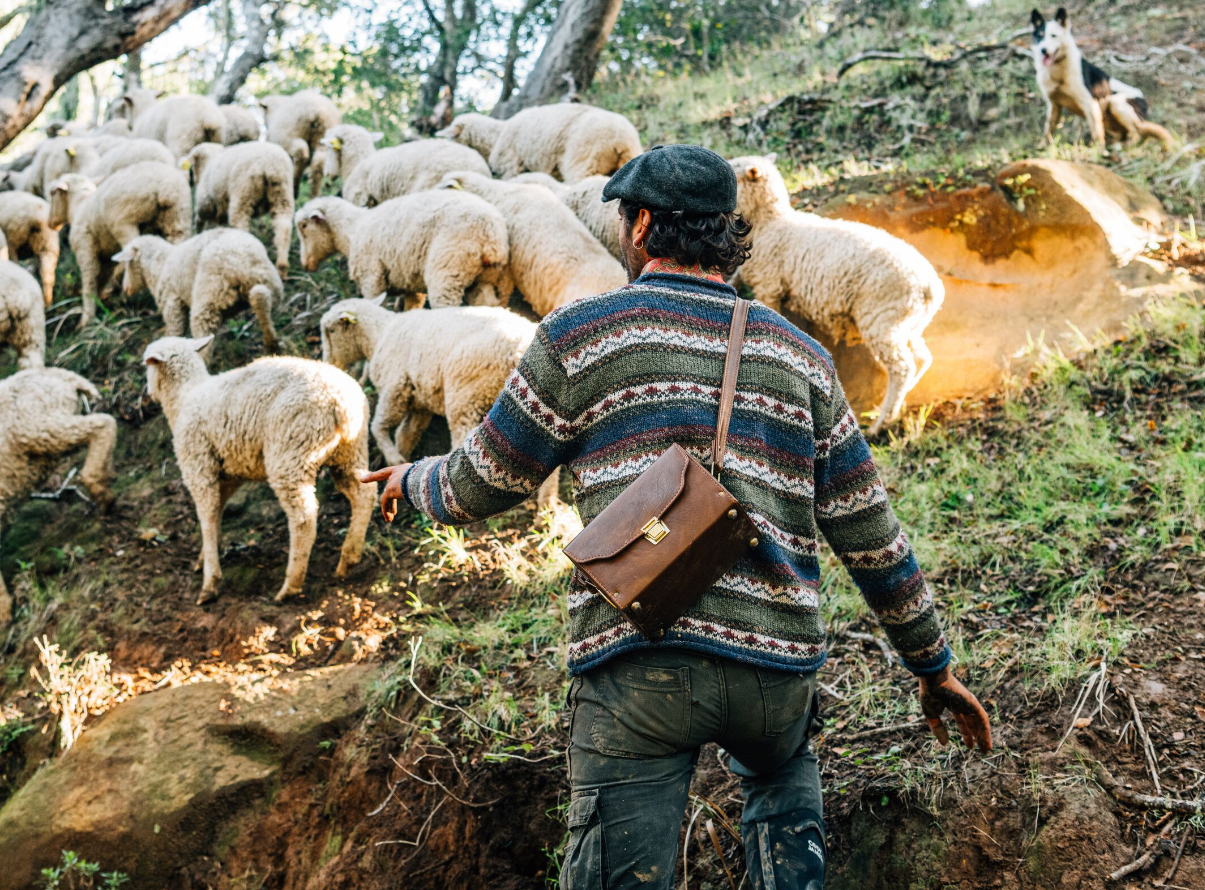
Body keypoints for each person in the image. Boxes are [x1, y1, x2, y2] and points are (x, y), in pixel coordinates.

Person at [363, 144, 991, 890]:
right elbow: (871, 532)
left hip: (639, 664)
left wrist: (414, 477)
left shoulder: (578, 336)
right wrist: (933, 667)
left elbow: (485, 480)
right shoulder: (802, 357)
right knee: (783, 801)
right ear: (727, 233)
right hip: (776, 677)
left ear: (641, 227)